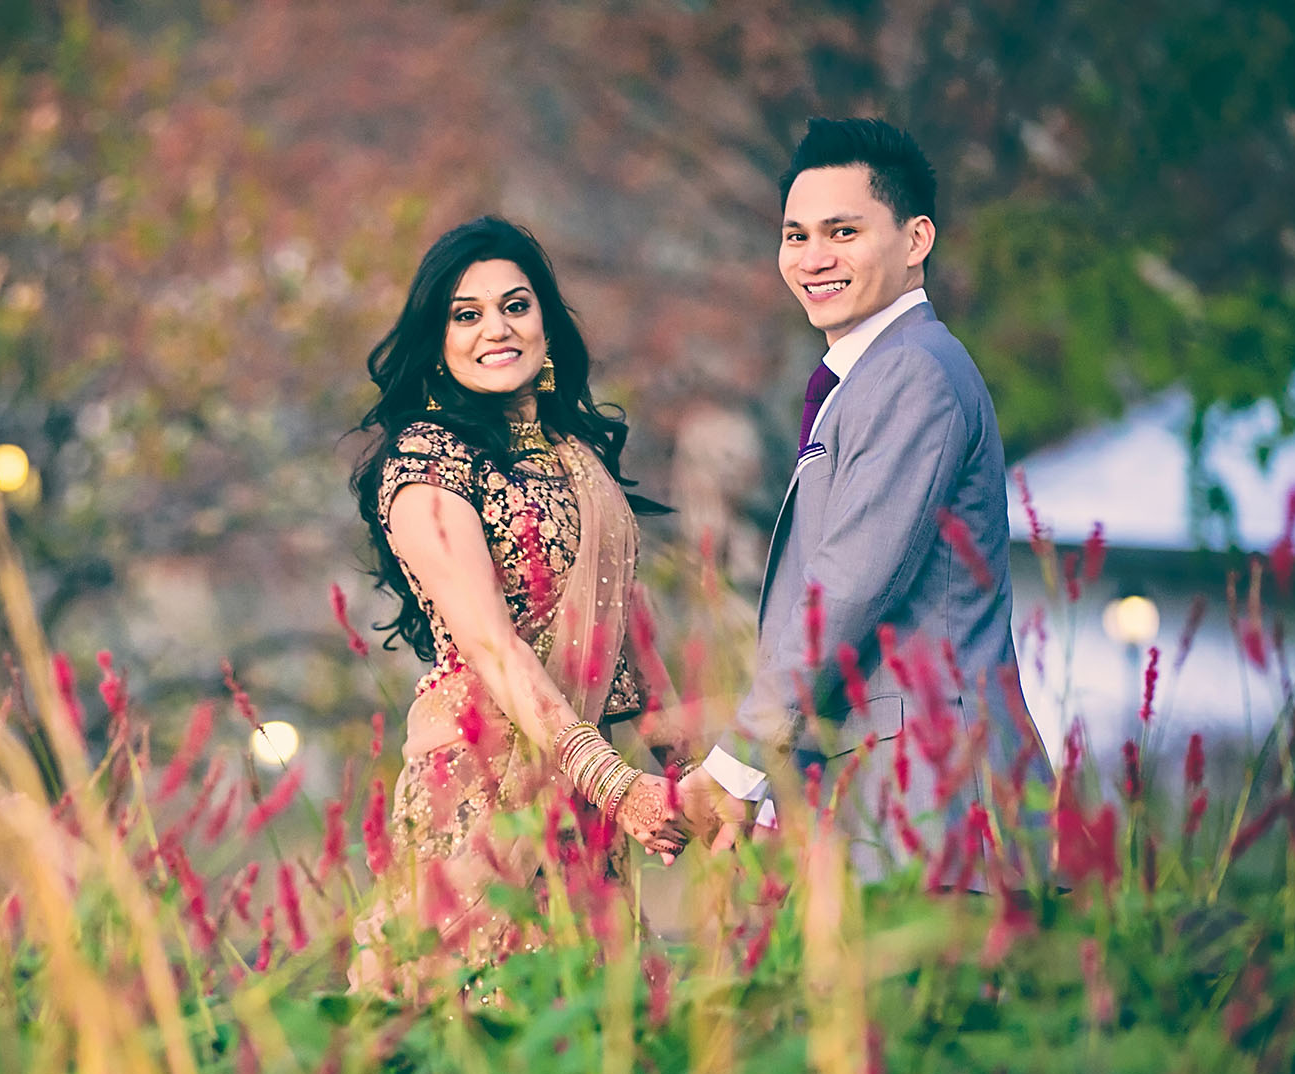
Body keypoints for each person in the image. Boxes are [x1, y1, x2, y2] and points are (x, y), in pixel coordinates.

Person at [678, 118, 1049, 881]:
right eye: (796, 235)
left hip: (934, 799)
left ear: (916, 240)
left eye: (842, 231)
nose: (813, 259)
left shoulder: (914, 373)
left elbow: (848, 586)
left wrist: (739, 761)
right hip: (888, 799)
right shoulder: (871, 378)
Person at [347, 216, 697, 995]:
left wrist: (685, 770)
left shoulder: (578, 456)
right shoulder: (426, 464)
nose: (495, 330)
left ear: (546, 322)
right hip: (481, 789)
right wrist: (617, 782)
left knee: (589, 1043)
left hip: (587, 799)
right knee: (476, 1024)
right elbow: (495, 648)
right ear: (436, 340)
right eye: (465, 315)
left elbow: (628, 630)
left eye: (516, 305)